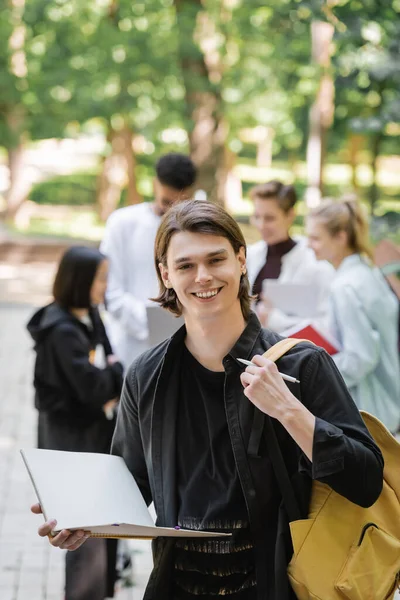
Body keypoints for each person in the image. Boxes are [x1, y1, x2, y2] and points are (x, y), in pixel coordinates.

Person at [32, 201, 383, 600]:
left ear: (241, 260)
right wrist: (83, 520)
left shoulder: (302, 364)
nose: (203, 277)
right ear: (166, 274)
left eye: (216, 259)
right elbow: (131, 482)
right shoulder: (146, 374)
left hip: (276, 584)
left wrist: (289, 411)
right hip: (176, 584)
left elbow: (366, 480)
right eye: (185, 265)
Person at [27, 246, 124, 600]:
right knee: (82, 529)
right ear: (81, 281)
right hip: (71, 442)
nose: (106, 285)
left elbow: (107, 373)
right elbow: (96, 387)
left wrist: (109, 373)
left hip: (91, 436)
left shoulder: (89, 313)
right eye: (101, 278)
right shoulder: (60, 331)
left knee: (102, 524)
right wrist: (112, 371)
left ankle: (104, 588)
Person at [307, 198, 400, 433]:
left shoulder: (346, 287)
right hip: (389, 402)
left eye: (316, 238)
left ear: (341, 237)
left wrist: (311, 370)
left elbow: (360, 357)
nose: (309, 245)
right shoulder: (368, 274)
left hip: (369, 411)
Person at [100, 152, 197, 368]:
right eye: (166, 202)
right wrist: (154, 325)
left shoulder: (198, 230)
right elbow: (111, 291)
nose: (171, 210)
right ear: (155, 184)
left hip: (187, 347)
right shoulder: (122, 224)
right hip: (129, 346)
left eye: (180, 203)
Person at [247, 180, 334, 333]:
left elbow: (326, 324)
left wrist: (275, 320)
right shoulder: (250, 256)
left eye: (269, 218)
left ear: (290, 216)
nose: (261, 225)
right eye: (257, 217)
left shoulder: (315, 263)